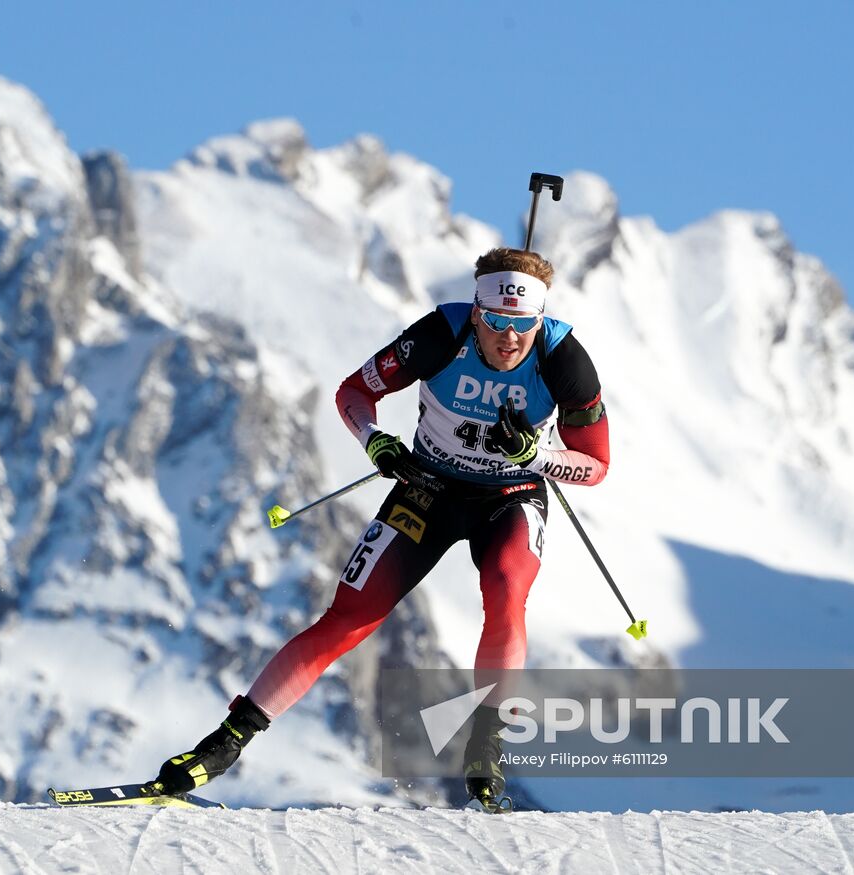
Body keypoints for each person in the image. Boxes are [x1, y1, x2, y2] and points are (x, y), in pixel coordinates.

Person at [149, 247, 611, 808]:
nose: (509, 338)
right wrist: (376, 442)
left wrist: (534, 455)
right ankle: (225, 744)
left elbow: (596, 465)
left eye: (523, 323)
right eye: (495, 320)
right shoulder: (440, 335)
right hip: (428, 489)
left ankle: (486, 742)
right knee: (350, 616)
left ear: (540, 318)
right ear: (475, 312)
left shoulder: (564, 361)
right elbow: (353, 392)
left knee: (506, 589)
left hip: (510, 497)